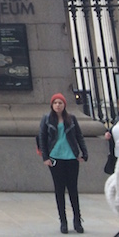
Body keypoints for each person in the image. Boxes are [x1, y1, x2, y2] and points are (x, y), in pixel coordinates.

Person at [39, 92, 88, 234]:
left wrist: (84, 153)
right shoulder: (47, 119)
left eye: (60, 103)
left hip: (71, 157)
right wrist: (45, 157)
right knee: (59, 190)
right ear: (52, 105)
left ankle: (77, 220)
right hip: (55, 158)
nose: (58, 105)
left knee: (73, 190)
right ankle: (63, 222)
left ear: (64, 105)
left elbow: (79, 136)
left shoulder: (71, 118)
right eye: (55, 103)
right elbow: (42, 138)